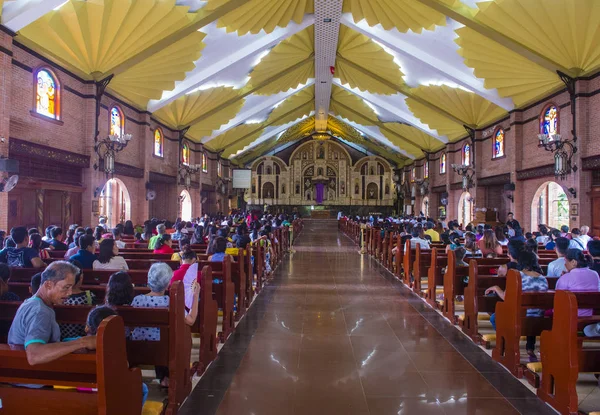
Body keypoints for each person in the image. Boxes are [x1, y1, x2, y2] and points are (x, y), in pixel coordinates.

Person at [7, 261, 96, 366]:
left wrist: (73, 344)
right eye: (66, 287)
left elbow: (48, 342)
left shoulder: (33, 302)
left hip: (21, 369)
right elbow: (35, 355)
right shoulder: (40, 311)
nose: (70, 293)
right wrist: (82, 342)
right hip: (32, 377)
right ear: (48, 284)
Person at [486, 251, 548, 362]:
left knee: (494, 318)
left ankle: (506, 344)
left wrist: (496, 288)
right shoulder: (543, 278)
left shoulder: (517, 276)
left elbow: (506, 297)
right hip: (538, 319)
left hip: (519, 318)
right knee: (531, 311)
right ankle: (530, 348)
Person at [555, 249, 600, 316]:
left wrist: (565, 276)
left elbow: (558, 298)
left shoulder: (565, 278)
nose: (565, 264)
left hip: (570, 316)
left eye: (566, 261)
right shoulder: (595, 274)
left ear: (573, 262)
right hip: (592, 317)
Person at [59, 260, 97, 340]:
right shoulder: (89, 296)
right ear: (81, 277)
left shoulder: (57, 297)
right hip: (83, 340)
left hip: (61, 339)